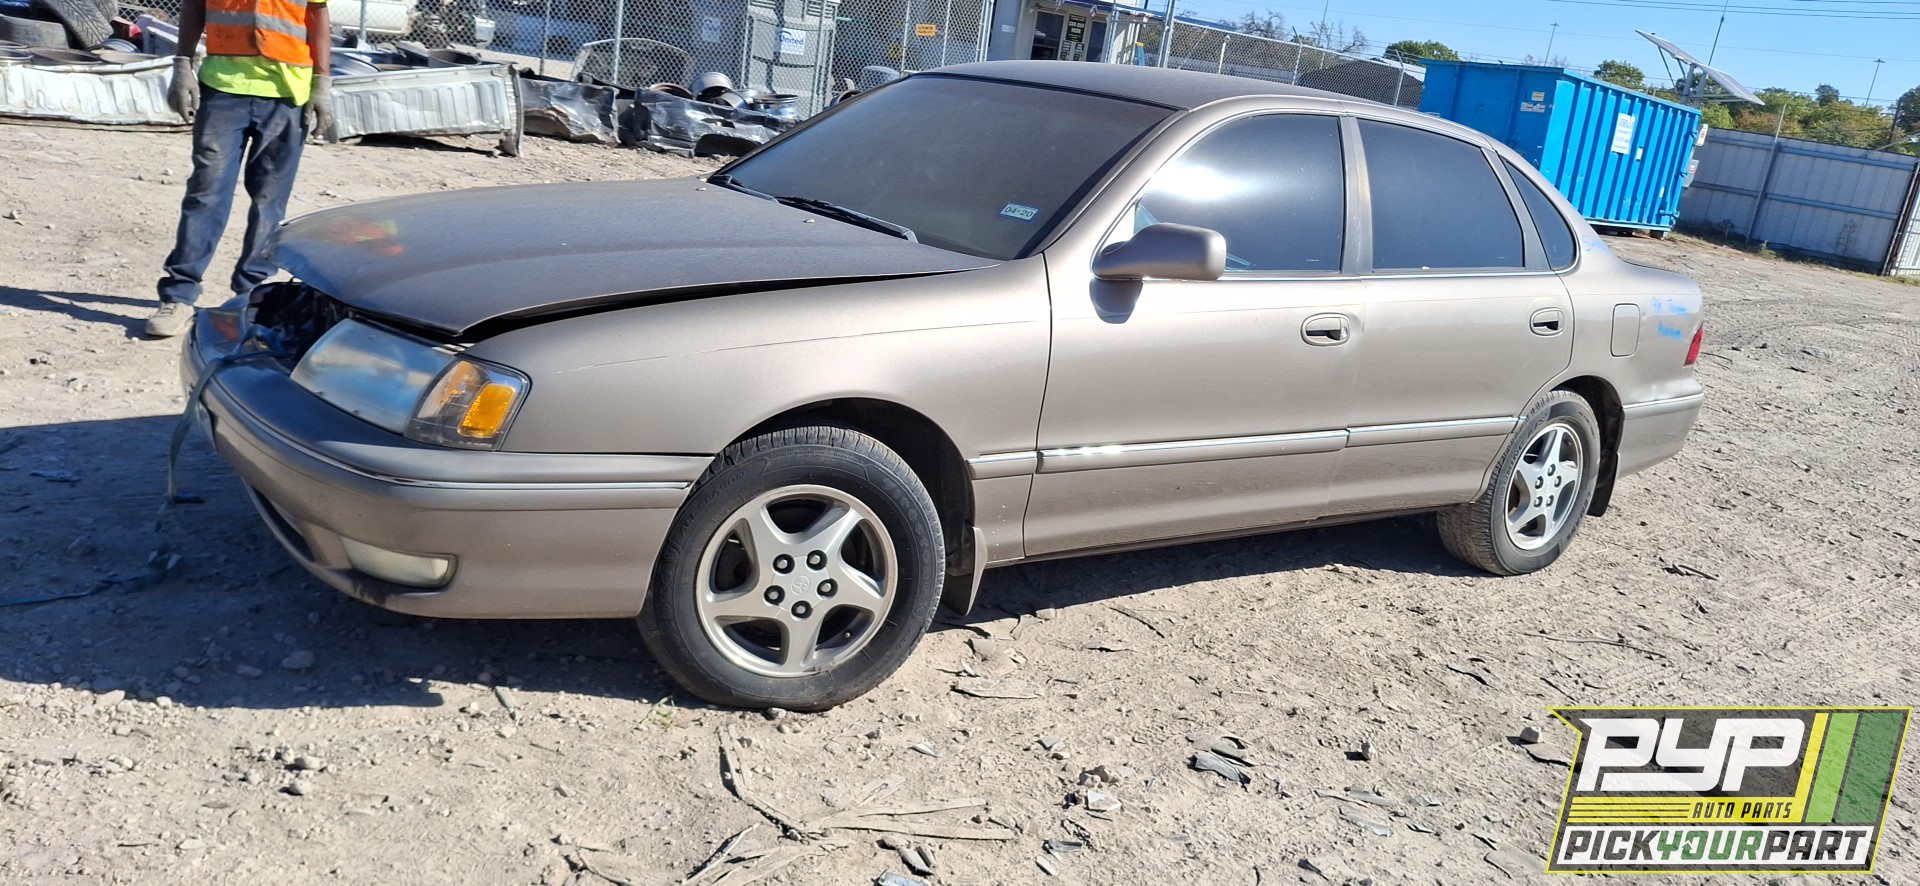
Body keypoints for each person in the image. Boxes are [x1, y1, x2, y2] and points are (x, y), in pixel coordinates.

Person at [145, 0, 335, 338]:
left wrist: (323, 82)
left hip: (287, 93)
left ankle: (250, 297)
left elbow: (318, 14)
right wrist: (182, 62)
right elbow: (195, 5)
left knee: (269, 202)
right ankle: (179, 295)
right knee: (206, 193)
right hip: (223, 88)